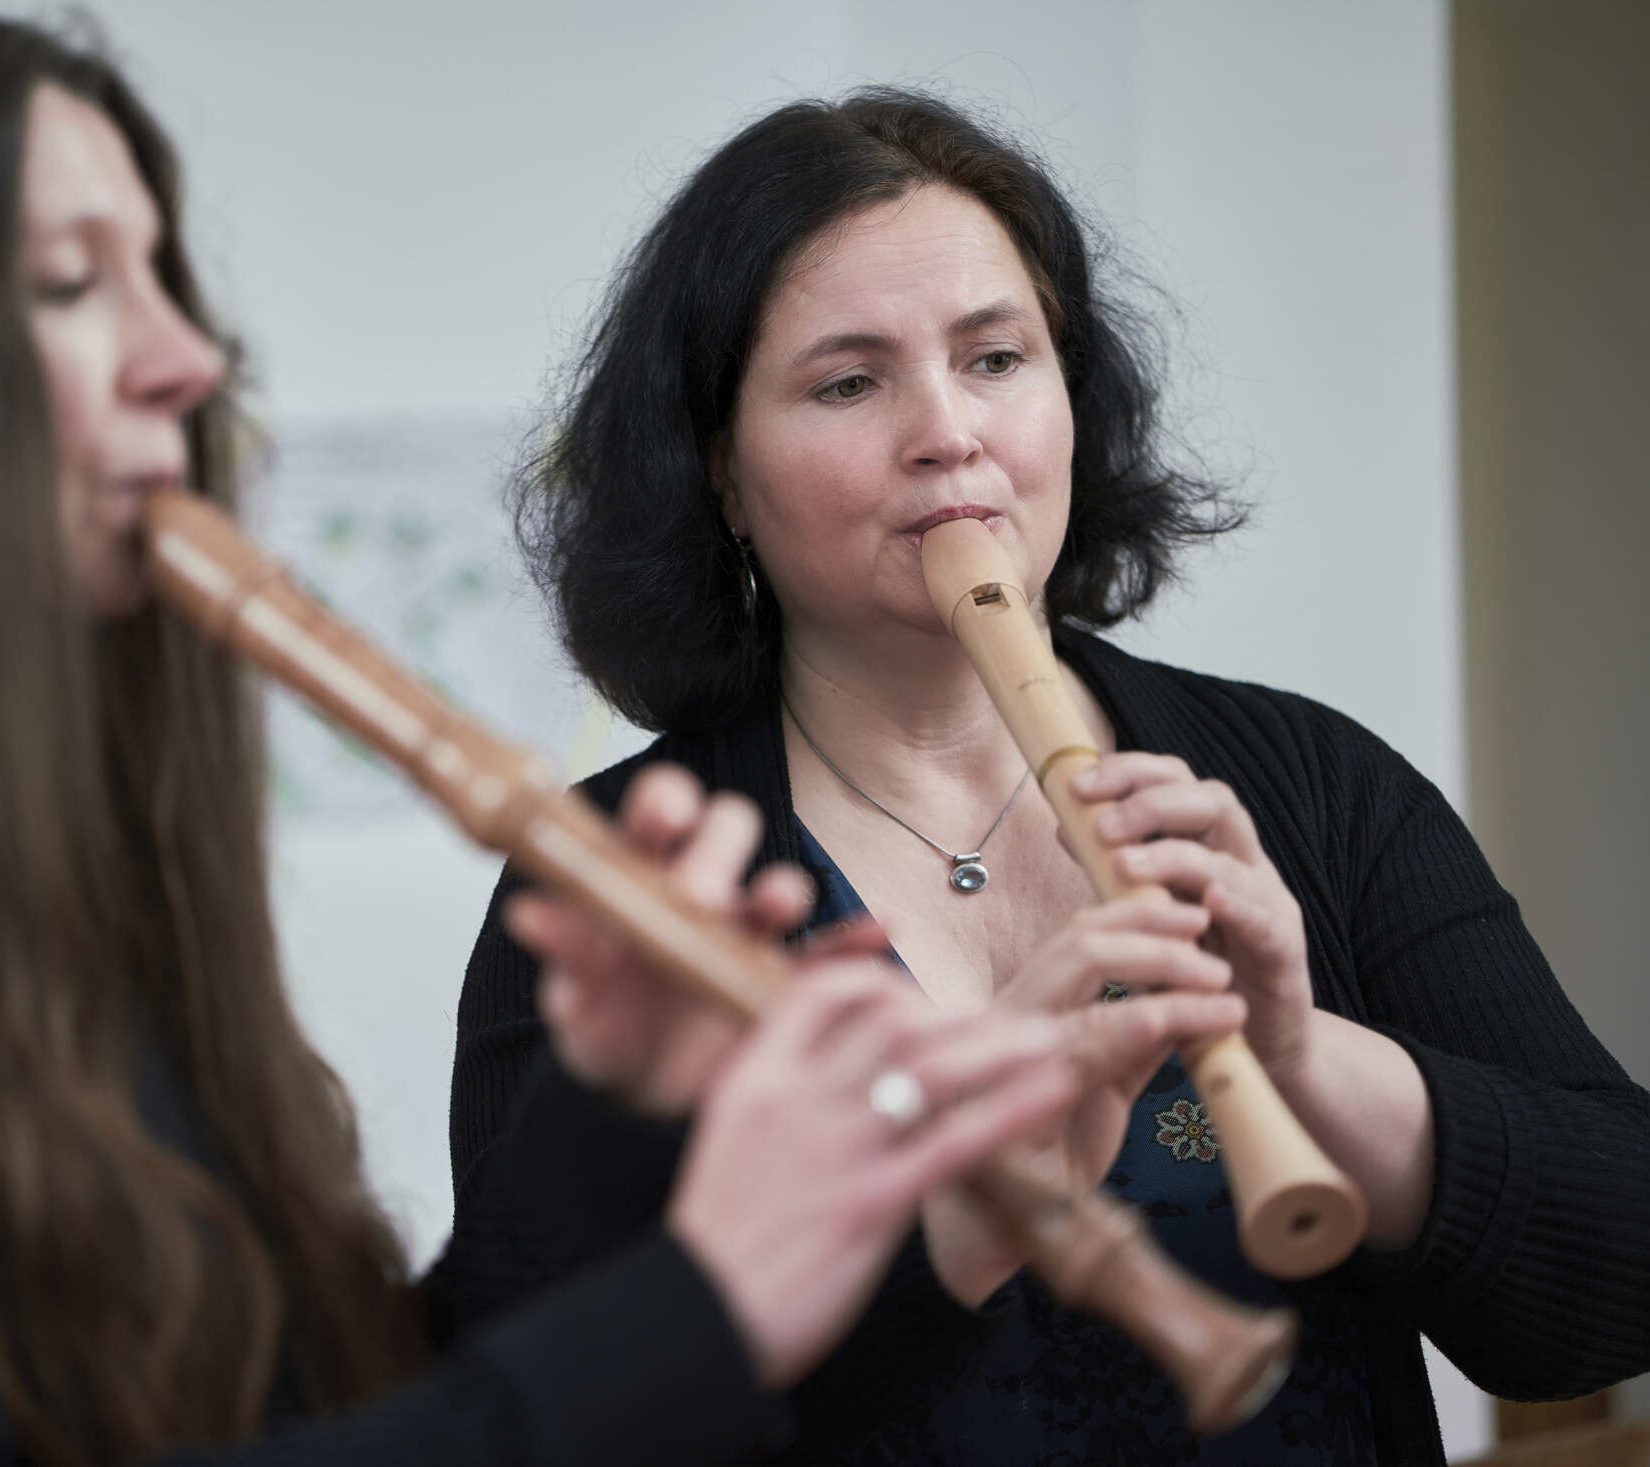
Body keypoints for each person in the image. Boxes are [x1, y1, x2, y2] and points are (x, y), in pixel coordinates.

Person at [0, 9, 1255, 1465]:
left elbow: (370, 1413)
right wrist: (706, 1300)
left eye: (166, 277)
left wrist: (623, 1126)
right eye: (77, 286)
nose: (185, 358)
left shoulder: (42, 916)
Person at [450, 88, 1650, 1464]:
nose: (948, 432)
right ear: (719, 468)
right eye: (849, 382)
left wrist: (1313, 1064)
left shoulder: (1311, 786)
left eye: (996, 358)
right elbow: (530, 1422)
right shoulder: (624, 879)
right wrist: (955, 1229)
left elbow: (1611, 1295)